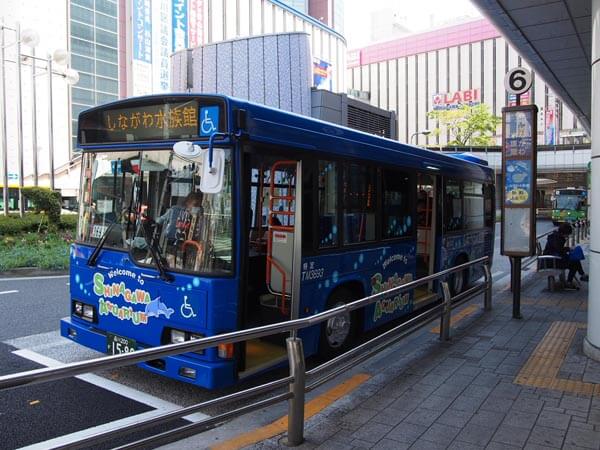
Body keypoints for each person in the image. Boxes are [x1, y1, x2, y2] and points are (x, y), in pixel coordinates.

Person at [543, 223, 588, 288]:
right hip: (552, 261)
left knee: (575, 261)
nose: (567, 236)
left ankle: (580, 276)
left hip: (552, 259)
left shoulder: (555, 236)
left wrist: (568, 250)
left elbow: (559, 250)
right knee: (575, 263)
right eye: (567, 234)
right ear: (564, 233)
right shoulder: (558, 238)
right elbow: (559, 250)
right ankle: (572, 280)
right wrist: (569, 249)